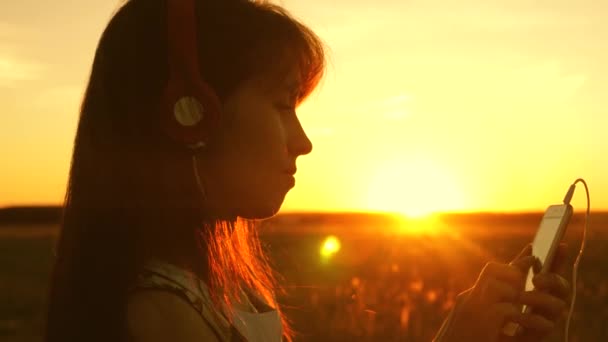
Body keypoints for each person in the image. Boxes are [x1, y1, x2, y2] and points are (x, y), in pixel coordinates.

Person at [44, 0, 571, 341]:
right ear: (191, 116)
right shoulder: (158, 317)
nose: (303, 142)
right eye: (282, 104)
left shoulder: (219, 292)